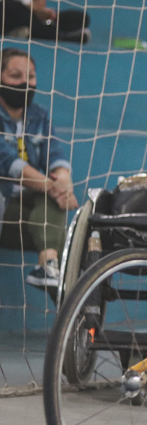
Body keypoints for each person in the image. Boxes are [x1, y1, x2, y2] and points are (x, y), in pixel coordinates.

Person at [0, 47, 78, 288]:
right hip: (3, 210)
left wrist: (63, 180)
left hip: (29, 212)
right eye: (16, 76)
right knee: (56, 210)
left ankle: (48, 267)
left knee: (59, 223)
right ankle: (66, 288)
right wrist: (57, 189)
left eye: (31, 76)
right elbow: (9, 164)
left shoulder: (39, 115)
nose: (25, 83)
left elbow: (56, 156)